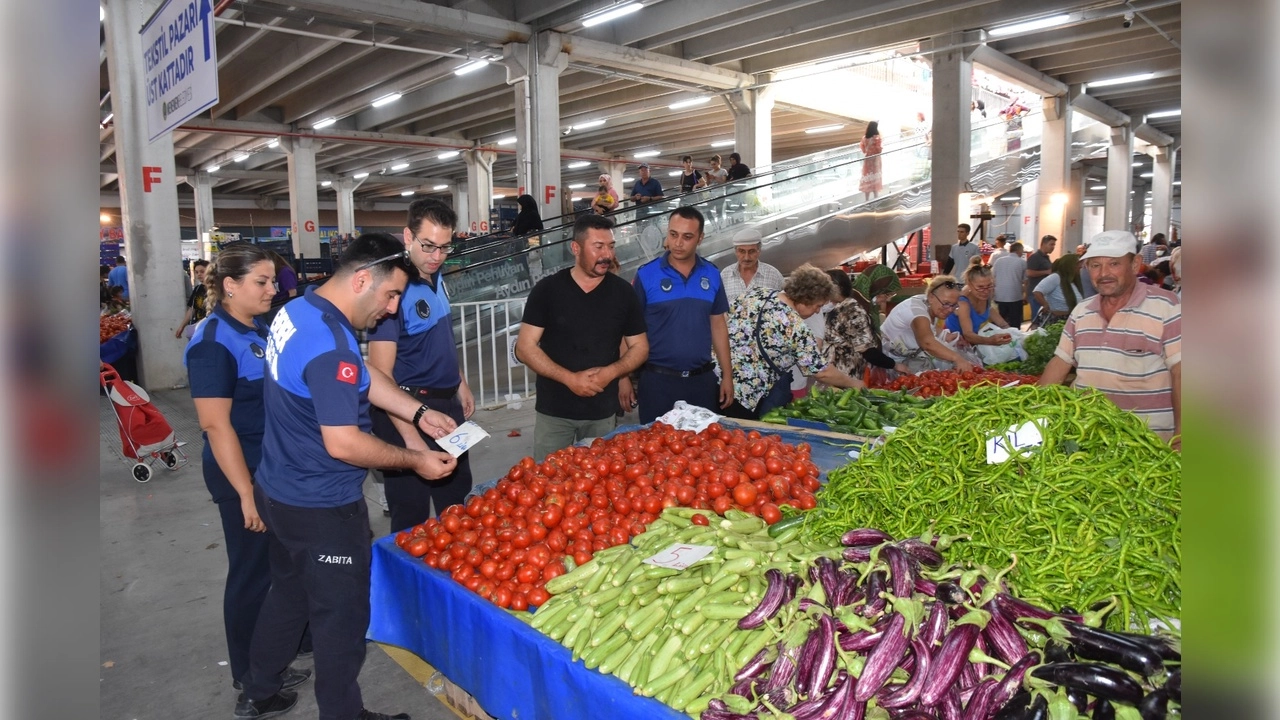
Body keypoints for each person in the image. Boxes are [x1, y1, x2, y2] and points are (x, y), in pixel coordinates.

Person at [237, 233, 459, 720]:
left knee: (289, 594)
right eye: (390, 295)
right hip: (321, 507)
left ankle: (259, 689)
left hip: (278, 488)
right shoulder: (330, 343)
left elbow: (362, 375)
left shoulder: (301, 310)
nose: (394, 308)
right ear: (362, 280)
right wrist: (415, 459)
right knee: (341, 619)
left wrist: (418, 414)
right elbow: (345, 443)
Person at [184, 243, 312, 697]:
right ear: (230, 286)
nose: (272, 289)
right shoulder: (213, 341)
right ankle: (248, 674)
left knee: (278, 570)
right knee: (251, 575)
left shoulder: (253, 328)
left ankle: (272, 656)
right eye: (262, 282)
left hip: (271, 471)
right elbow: (216, 426)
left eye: (273, 281)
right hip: (242, 474)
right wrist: (244, 493)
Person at [368, 200, 476, 533]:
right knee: (410, 516)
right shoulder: (393, 291)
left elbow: (441, 338)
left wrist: (459, 383)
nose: (436, 255)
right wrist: (412, 441)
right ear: (407, 237)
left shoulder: (436, 276)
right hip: (406, 412)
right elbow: (381, 376)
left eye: (444, 247)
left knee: (458, 503)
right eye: (427, 246)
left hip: (447, 406)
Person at [515, 214, 649, 460]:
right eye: (598, 247)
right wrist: (569, 379)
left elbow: (639, 346)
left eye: (610, 246)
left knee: (599, 486)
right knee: (548, 483)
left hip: (602, 413)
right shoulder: (547, 290)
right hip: (554, 412)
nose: (607, 255)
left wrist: (612, 373)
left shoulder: (623, 293)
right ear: (575, 248)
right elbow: (524, 347)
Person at [1039, 231, 1181, 446]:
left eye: (1114, 264)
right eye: (1095, 265)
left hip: (1147, 441)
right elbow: (1060, 363)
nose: (1103, 273)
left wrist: (1181, 437)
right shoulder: (1082, 311)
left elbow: (1182, 373)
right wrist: (1031, 414)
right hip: (1086, 436)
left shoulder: (1166, 306)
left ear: (1135, 265)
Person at [621, 206, 732, 422]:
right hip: (657, 382)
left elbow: (718, 325)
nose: (678, 243)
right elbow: (628, 329)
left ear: (700, 238)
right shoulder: (646, 275)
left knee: (704, 450)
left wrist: (728, 376)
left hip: (702, 382)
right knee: (654, 451)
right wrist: (622, 378)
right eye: (673, 235)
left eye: (687, 237)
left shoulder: (712, 274)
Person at [720, 265, 864, 419]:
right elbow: (821, 372)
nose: (817, 311)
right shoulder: (795, 326)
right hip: (745, 395)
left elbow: (724, 319)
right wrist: (855, 383)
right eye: (818, 306)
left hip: (719, 378)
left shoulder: (757, 294)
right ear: (806, 298)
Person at [825, 267, 910, 379]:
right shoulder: (853, 310)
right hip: (844, 376)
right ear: (876, 289)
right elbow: (867, 350)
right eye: (886, 294)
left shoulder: (851, 303)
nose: (887, 300)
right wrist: (894, 365)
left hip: (835, 372)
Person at [880, 275, 977, 373]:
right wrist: (957, 358)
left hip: (907, 357)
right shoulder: (916, 311)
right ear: (931, 297)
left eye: (954, 305)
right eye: (946, 303)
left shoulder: (928, 303)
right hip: (889, 362)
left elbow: (927, 328)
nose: (950, 309)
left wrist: (947, 336)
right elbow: (927, 343)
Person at [945, 262, 1013, 346]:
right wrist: (990, 341)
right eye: (980, 287)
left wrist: (1013, 334)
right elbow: (968, 335)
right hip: (955, 346)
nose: (985, 291)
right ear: (969, 285)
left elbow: (1002, 324)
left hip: (972, 346)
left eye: (989, 286)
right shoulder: (963, 304)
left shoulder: (985, 298)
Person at [721, 228, 783, 302]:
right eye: (742, 251)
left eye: (751, 251)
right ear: (736, 252)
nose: (746, 257)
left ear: (759, 251)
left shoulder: (774, 275)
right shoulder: (725, 275)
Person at [1033, 254, 1084, 321]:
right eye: (1077, 264)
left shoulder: (1073, 281)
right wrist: (1046, 305)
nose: (1080, 266)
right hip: (1057, 319)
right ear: (1069, 265)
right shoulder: (1056, 277)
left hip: (1071, 318)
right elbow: (1037, 292)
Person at [992, 241, 1027, 328]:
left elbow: (992, 277)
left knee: (1001, 320)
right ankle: (1014, 338)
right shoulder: (1022, 262)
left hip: (1000, 296)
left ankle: (1000, 338)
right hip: (1014, 296)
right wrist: (1025, 294)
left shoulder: (999, 261)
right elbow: (1025, 280)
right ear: (1019, 250)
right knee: (1015, 321)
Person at [176, 259, 211, 339]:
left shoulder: (217, 290)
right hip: (197, 329)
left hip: (211, 328)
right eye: (197, 272)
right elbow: (192, 308)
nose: (199, 274)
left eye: (202, 271)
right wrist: (182, 326)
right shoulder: (198, 289)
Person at [1025, 235, 1057, 320]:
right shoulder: (1035, 257)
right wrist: (1047, 272)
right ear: (1043, 244)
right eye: (1051, 244)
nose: (1053, 247)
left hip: (1043, 294)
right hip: (1036, 294)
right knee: (1037, 319)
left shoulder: (1046, 258)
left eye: (1054, 245)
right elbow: (1029, 272)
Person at [858, 121, 883, 199]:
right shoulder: (876, 138)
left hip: (867, 159)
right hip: (875, 160)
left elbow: (863, 149)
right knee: (875, 177)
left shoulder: (864, 138)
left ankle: (867, 199)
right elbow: (879, 150)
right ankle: (875, 197)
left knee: (867, 177)